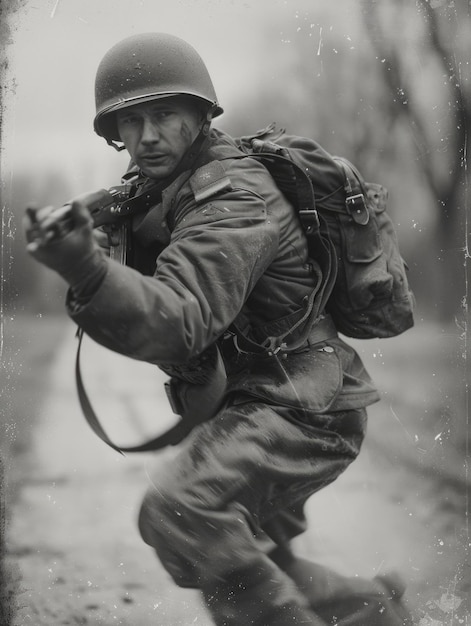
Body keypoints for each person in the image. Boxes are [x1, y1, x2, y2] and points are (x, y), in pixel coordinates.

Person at [24, 32, 412, 626]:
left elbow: (181, 320)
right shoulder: (158, 191)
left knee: (183, 510)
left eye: (163, 116)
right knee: (242, 556)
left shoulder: (231, 198)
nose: (147, 136)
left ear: (200, 115)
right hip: (267, 397)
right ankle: (373, 611)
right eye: (131, 122)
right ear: (113, 133)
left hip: (303, 406)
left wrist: (87, 267)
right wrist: (98, 254)